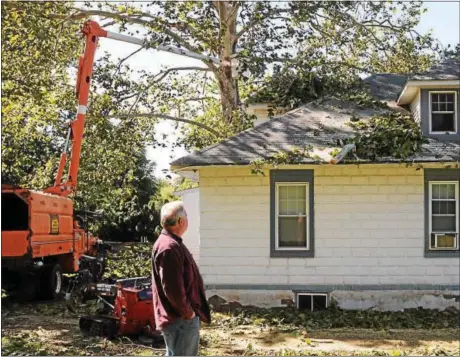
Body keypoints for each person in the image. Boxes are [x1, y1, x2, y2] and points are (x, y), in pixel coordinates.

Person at [151, 201, 211, 356]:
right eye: (187, 217)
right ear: (181, 221)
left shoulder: (171, 243)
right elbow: (172, 289)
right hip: (179, 320)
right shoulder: (169, 248)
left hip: (179, 318)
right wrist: (188, 313)